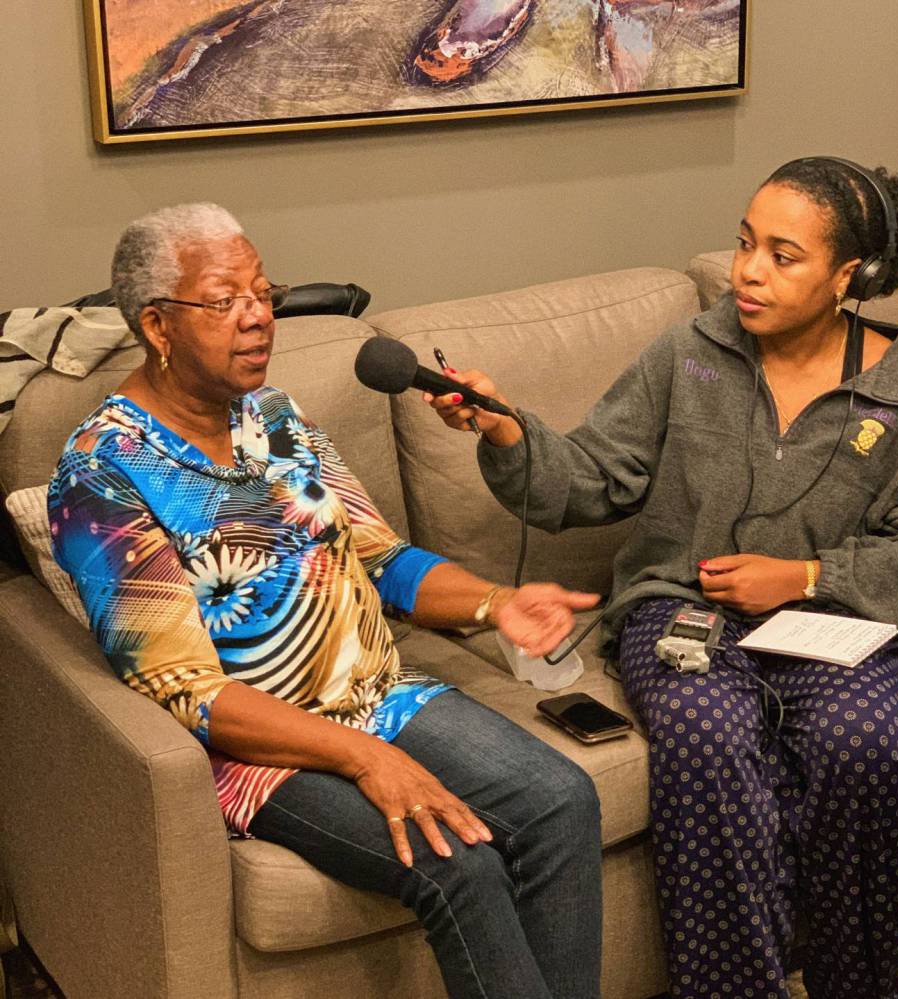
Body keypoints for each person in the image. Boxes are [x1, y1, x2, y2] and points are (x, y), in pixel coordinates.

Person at [427, 158, 898, 998]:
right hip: (678, 612)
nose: (749, 271)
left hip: (830, 620)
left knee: (861, 746)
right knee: (708, 740)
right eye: (744, 243)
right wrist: (510, 434)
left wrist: (804, 573)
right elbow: (593, 475)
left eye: (783, 254)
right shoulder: (691, 354)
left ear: (850, 276)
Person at [48, 203, 604, 999]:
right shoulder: (103, 472)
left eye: (264, 292)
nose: (257, 318)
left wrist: (495, 602)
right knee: (460, 865)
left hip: (379, 693)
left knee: (561, 799)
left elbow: (378, 556)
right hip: (252, 747)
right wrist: (370, 759)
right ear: (158, 326)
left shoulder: (273, 416)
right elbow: (191, 693)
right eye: (226, 301)